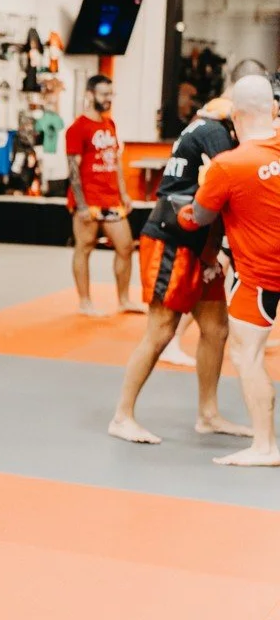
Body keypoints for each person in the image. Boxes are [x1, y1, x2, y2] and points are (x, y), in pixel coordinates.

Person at [108, 95, 249, 445]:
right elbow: (231, 187)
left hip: (201, 246)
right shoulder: (216, 132)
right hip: (172, 240)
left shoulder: (216, 127)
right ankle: (122, 416)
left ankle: (208, 414)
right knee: (160, 330)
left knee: (216, 329)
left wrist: (215, 252)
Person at [175, 74, 280, 466]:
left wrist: (188, 204)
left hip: (261, 277)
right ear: (272, 110)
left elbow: (198, 217)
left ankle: (265, 446)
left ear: (234, 116)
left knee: (248, 354)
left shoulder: (227, 165)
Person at [67, 74, 142, 316]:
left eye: (111, 94)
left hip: (111, 200)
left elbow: (117, 162)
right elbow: (73, 169)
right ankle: (84, 302)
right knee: (84, 248)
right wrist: (81, 205)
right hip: (88, 200)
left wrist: (124, 194)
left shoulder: (110, 125)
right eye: (104, 94)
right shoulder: (77, 128)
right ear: (90, 95)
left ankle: (123, 300)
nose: (108, 99)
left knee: (125, 247)